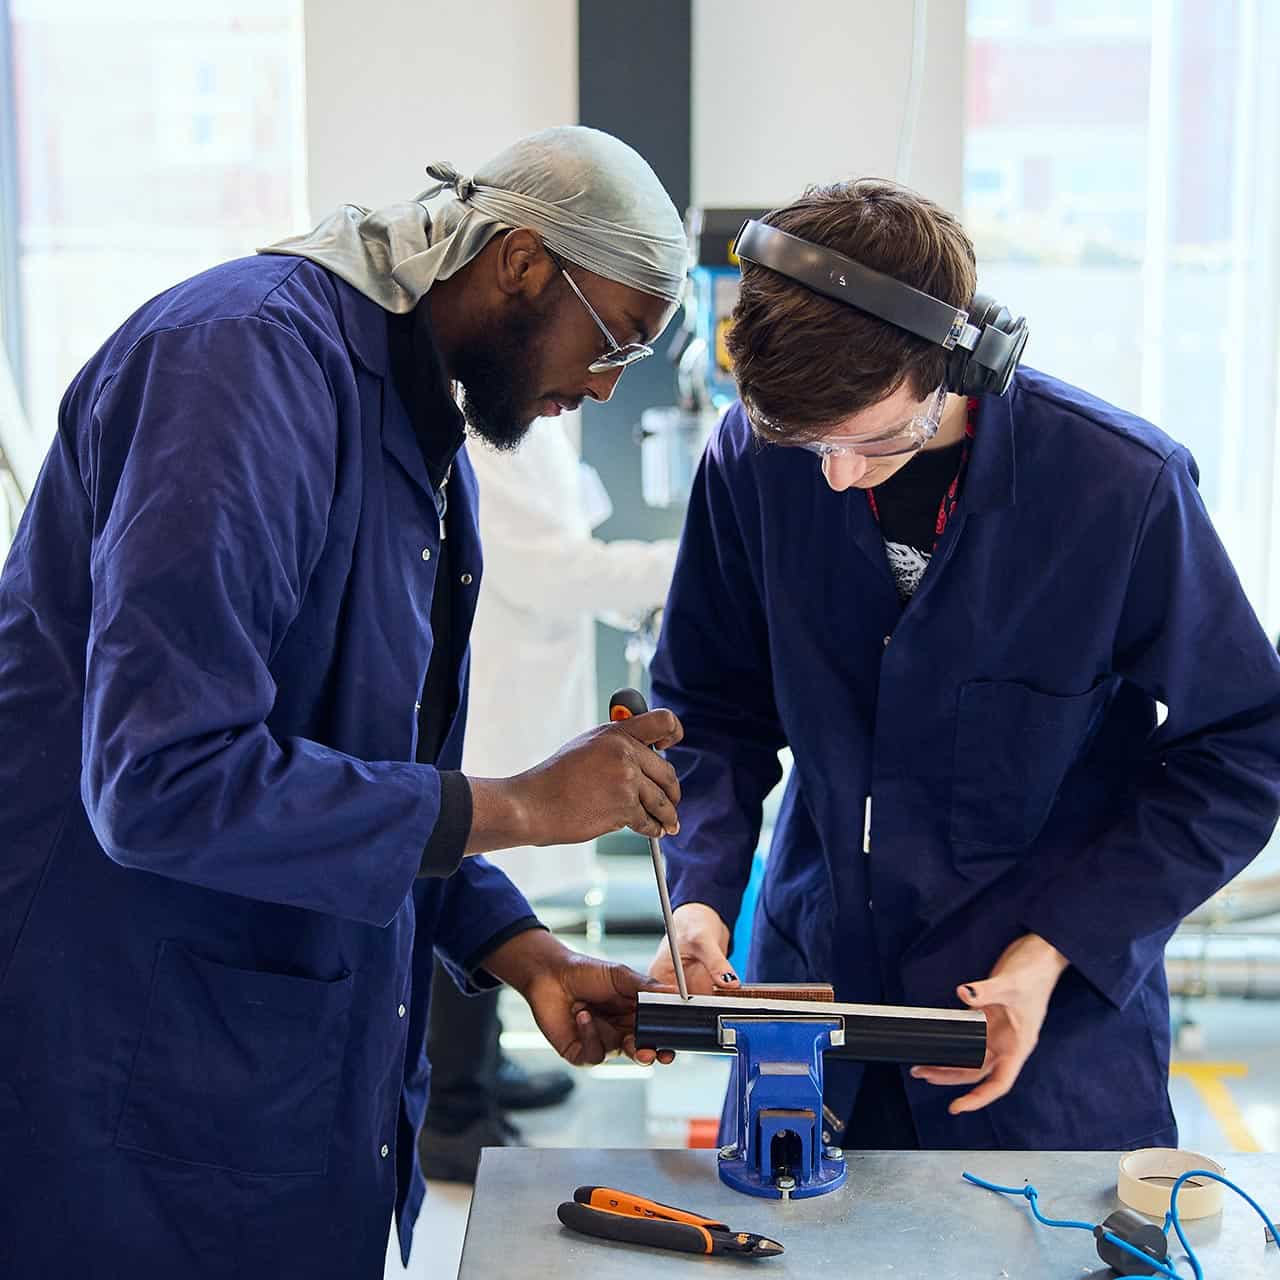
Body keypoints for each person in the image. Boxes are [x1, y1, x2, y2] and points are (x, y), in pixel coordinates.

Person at [0, 126, 688, 1279]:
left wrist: (521, 950)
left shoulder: (421, 437)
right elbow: (161, 777)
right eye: (616, 334)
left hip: (285, 1080)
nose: (608, 383)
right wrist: (521, 804)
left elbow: (358, 765)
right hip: (127, 1066)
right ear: (521, 261)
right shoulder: (241, 364)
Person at [647, 178, 1280, 1154]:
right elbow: (710, 706)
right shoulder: (752, 456)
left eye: (867, 438)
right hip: (814, 997)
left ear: (960, 361)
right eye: (807, 442)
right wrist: (696, 893)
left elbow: (1243, 747)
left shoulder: (1118, 490)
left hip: (1041, 1013)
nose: (835, 475)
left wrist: (1055, 944)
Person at [420, 417, 678, 1181]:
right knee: (456, 870)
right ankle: (453, 1111)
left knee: (501, 899)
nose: (606, 385)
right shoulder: (479, 426)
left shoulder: (541, 426)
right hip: (493, 695)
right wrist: (683, 564)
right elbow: (548, 569)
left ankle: (488, 1069)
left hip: (530, 684)